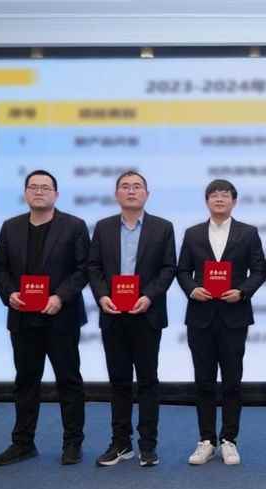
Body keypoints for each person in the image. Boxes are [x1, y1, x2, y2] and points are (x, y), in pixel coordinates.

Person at [0, 170, 90, 466]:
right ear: (25, 193)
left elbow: (83, 269)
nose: (39, 192)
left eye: (45, 188)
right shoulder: (10, 227)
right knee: (25, 381)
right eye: (33, 187)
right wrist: (9, 294)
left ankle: (72, 443)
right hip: (23, 317)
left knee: (68, 381)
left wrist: (60, 297)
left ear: (56, 194)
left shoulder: (74, 226)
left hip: (61, 316)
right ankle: (23, 443)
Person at [87, 171, 177, 467]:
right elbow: (93, 267)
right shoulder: (103, 227)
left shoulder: (163, 228)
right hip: (113, 313)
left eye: (137, 187)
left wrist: (148, 296)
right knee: (119, 382)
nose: (131, 191)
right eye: (125, 187)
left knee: (148, 381)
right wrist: (102, 296)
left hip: (146, 314)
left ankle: (148, 445)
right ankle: (121, 443)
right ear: (117, 195)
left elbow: (168, 268)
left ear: (146, 194)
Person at [176, 179, 266, 465]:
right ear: (206, 201)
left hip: (234, 316)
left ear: (234, 201)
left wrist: (242, 292)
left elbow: (260, 270)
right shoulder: (192, 234)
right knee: (203, 381)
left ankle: (229, 440)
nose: (219, 199)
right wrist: (192, 289)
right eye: (213, 195)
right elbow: (182, 270)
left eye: (224, 195)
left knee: (232, 381)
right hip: (200, 317)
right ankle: (206, 440)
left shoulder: (248, 233)